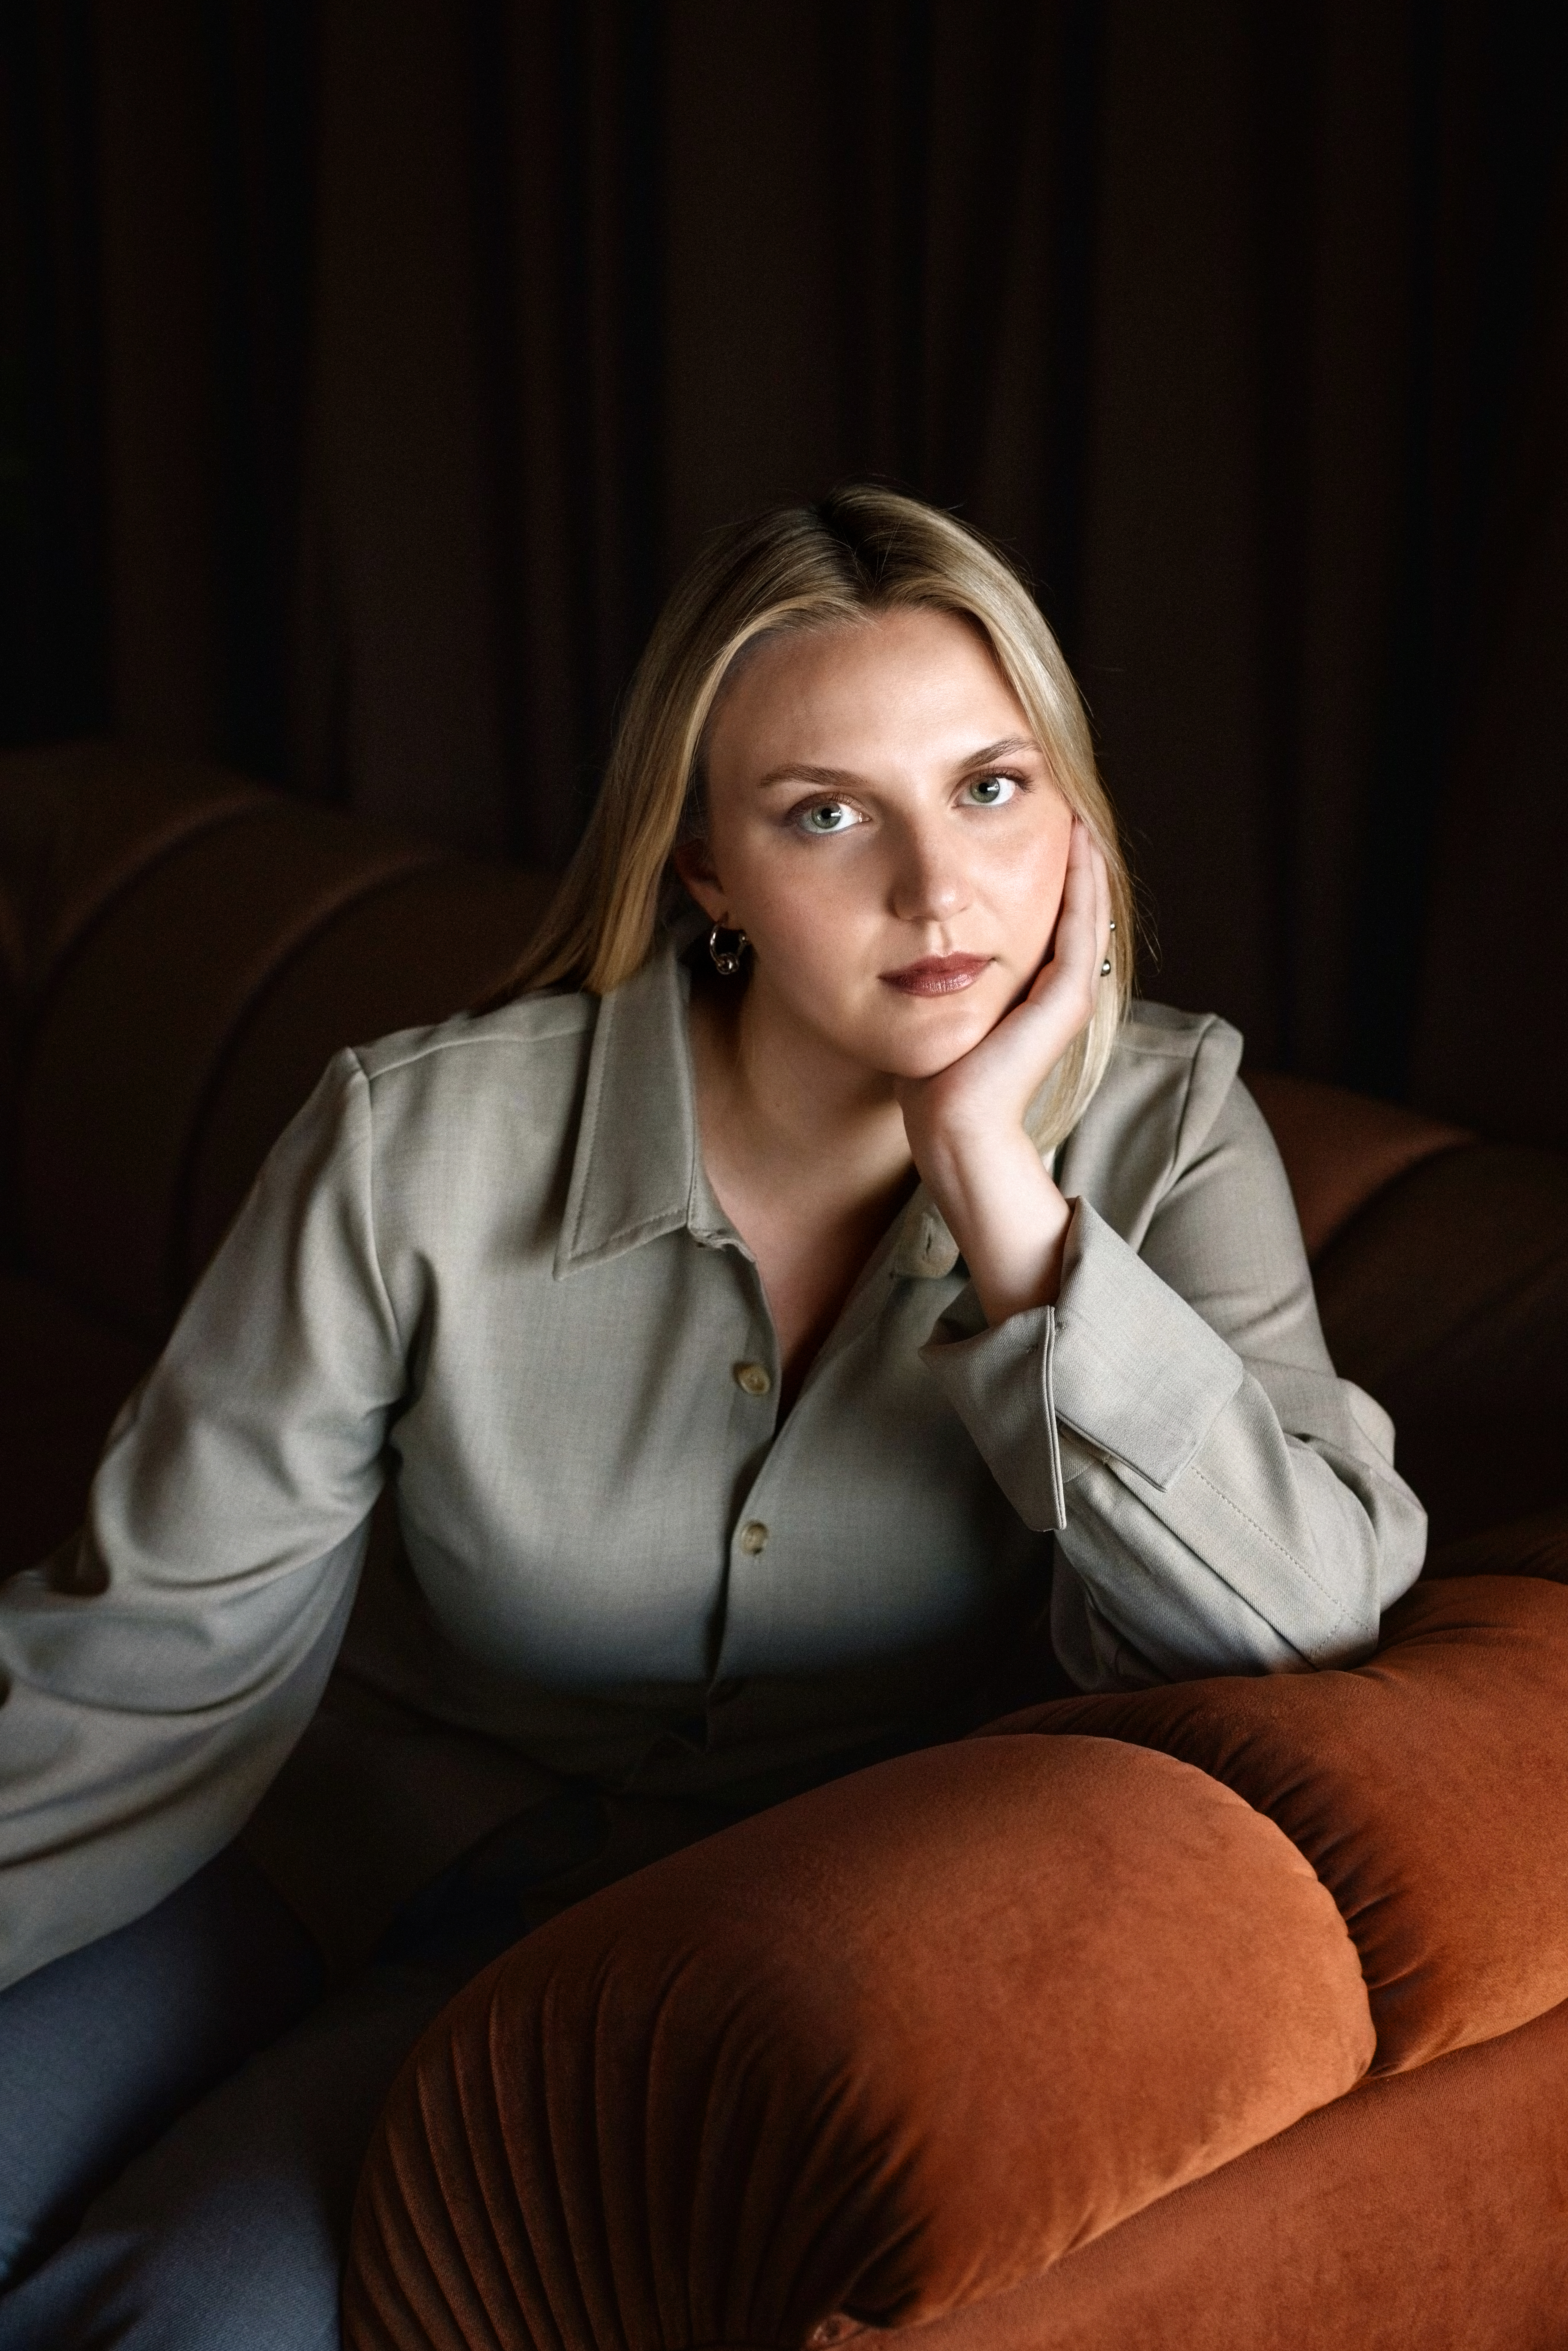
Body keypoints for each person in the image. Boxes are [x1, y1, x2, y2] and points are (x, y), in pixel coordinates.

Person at [0, 487, 1425, 2344]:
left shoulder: (1168, 1137)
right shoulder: (417, 1143)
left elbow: (1298, 1623)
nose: (936, 888)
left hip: (691, 1970)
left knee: (184, 2323)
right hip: (312, 1829)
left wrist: (1005, 1207)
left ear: (1073, 810)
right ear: (702, 872)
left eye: (990, 787)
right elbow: (147, 1654)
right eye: (826, 814)